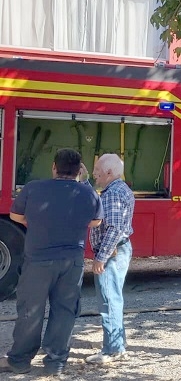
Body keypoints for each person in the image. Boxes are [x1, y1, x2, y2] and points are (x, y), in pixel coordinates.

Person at [0, 149, 103, 376]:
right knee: (65, 310)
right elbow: (96, 222)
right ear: (79, 171)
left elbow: (16, 216)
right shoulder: (89, 194)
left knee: (31, 309)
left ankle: (20, 361)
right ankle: (55, 362)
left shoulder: (34, 188)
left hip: (38, 261)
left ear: (54, 167)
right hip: (72, 263)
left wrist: (36, 223)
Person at [85, 154, 135, 365]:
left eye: (97, 169)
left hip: (112, 253)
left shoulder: (112, 194)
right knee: (114, 299)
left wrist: (101, 257)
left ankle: (112, 350)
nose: (95, 173)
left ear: (108, 172)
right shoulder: (120, 189)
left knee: (108, 301)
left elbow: (114, 229)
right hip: (120, 250)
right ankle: (118, 345)